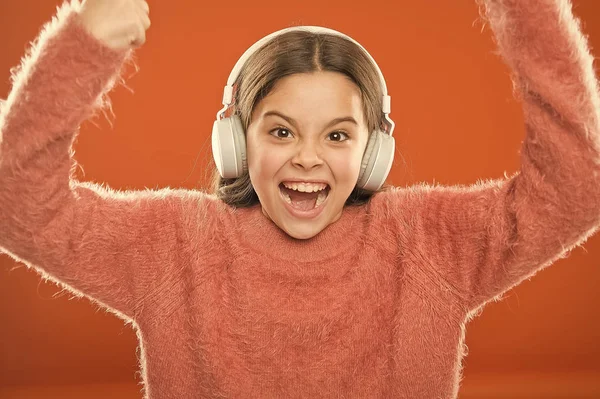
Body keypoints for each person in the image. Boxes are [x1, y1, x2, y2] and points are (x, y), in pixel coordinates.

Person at [0, 0, 598, 397]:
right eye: (281, 131)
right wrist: (81, 48)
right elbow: (18, 204)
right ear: (236, 140)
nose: (307, 158)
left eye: (337, 135)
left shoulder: (427, 243)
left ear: (373, 150)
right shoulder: (175, 244)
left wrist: (529, 12)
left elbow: (576, 185)